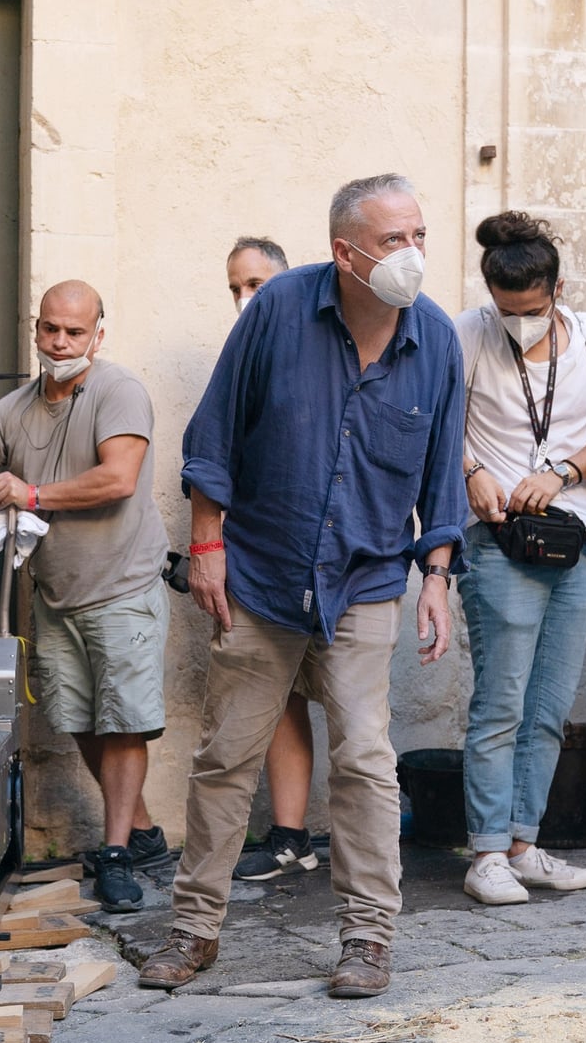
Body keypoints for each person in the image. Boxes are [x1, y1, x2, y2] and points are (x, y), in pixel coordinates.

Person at [147, 173, 466, 1000]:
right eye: (392, 241)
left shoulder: (433, 339)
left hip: (362, 580)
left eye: (419, 236)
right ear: (344, 252)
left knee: (364, 757)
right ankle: (193, 930)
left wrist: (435, 575)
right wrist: (206, 545)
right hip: (259, 571)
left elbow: (440, 476)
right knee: (226, 757)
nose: (412, 255)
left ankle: (368, 938)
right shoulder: (280, 309)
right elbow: (212, 434)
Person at [0, 281, 171, 913]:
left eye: (75, 331)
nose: (61, 342)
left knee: (125, 723)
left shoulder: (117, 390)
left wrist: (33, 494)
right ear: (36, 328)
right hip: (57, 594)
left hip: (123, 586)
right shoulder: (14, 409)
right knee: (80, 722)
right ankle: (147, 832)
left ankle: (119, 851)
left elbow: (118, 477)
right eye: (51, 329)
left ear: (98, 333)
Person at [454, 214, 586, 906]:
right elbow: (439, 421)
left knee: (551, 704)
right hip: (498, 535)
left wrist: (559, 472)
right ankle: (487, 852)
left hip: (573, 533)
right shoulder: (467, 332)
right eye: (505, 310)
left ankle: (525, 843)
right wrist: (472, 472)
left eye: (530, 311)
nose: (517, 323)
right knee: (500, 700)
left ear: (556, 291)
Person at [220, 237, 324, 883]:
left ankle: (366, 856)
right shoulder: (242, 358)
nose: (243, 298)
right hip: (260, 563)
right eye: (234, 286)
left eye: (255, 283)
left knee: (351, 704)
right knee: (278, 699)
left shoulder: (321, 352)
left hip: (332, 563)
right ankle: (291, 835)